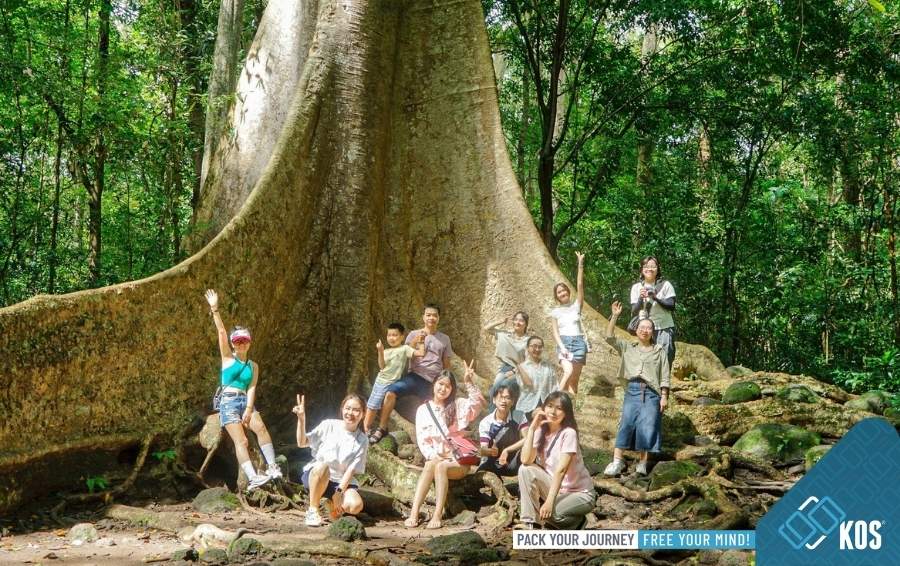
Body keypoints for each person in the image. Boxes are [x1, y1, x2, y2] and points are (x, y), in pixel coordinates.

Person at [204, 289, 281, 492]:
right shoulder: (228, 358)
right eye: (237, 341)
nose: (241, 344)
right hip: (228, 402)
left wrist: (248, 408)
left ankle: (273, 467)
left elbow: (252, 387)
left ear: (249, 342)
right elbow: (221, 332)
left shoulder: (253, 366)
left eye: (244, 340)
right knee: (242, 441)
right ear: (232, 343)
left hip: (244, 402)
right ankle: (253, 477)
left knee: (261, 428)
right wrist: (215, 309)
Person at [405, 361, 485, 529]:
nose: (443, 389)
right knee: (430, 464)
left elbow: (477, 404)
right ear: (434, 384)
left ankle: (437, 514)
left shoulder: (458, 405)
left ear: (452, 389)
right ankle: (414, 513)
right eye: (440, 384)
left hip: (458, 460)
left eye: (448, 386)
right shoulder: (423, 410)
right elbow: (422, 440)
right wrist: (435, 455)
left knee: (441, 467)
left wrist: (468, 382)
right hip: (437, 457)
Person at [603, 301, 670, 476]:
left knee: (647, 426)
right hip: (632, 390)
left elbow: (664, 375)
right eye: (642, 327)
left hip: (652, 393)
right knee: (626, 423)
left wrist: (664, 396)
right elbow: (609, 337)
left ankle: (642, 463)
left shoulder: (659, 351)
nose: (645, 330)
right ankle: (617, 462)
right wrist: (614, 316)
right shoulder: (627, 347)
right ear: (636, 329)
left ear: (652, 332)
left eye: (649, 328)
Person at [517, 391, 597, 529]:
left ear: (566, 413)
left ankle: (577, 523)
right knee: (525, 469)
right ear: (543, 408)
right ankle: (531, 523)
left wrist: (548, 502)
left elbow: (561, 470)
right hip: (558, 489)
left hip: (579, 493)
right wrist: (532, 429)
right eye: (550, 406)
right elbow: (525, 460)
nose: (553, 412)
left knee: (549, 514)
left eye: (559, 408)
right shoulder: (540, 430)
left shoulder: (569, 433)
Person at [293, 393, 368, 527]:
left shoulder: (362, 439)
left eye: (356, 410)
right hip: (318, 476)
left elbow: (351, 470)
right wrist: (301, 419)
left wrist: (338, 492)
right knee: (323, 466)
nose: (350, 413)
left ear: (363, 414)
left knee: (355, 505)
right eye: (347, 408)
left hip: (341, 482)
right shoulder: (329, 425)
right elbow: (302, 442)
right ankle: (313, 510)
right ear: (342, 409)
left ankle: (331, 511)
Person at [377, 304, 453, 434]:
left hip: (433, 380)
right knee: (390, 393)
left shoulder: (445, 339)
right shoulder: (413, 334)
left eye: (435, 315)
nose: (431, 318)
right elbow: (404, 353)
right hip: (414, 376)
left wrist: (447, 381)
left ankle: (434, 435)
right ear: (423, 317)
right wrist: (416, 340)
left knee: (433, 408)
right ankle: (382, 427)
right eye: (428, 315)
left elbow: (446, 363)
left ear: (439, 318)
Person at [365, 322, 425, 443]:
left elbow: (421, 353)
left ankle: (374, 429)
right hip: (381, 380)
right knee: (373, 405)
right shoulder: (387, 351)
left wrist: (421, 342)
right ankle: (365, 429)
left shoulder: (404, 349)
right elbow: (382, 366)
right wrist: (380, 351)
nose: (391, 338)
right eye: (389, 335)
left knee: (376, 405)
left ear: (402, 337)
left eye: (395, 335)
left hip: (392, 382)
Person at [551, 251, 588, 395]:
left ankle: (569, 406)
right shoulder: (555, 312)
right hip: (564, 343)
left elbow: (580, 284)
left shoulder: (577, 305)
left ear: (568, 291)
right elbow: (555, 332)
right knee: (568, 371)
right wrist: (562, 347)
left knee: (574, 382)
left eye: (564, 290)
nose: (562, 293)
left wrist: (580, 264)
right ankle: (554, 399)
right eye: (559, 292)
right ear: (557, 297)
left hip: (579, 344)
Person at [630, 256, 676, 370]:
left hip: (664, 328)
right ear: (642, 269)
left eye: (653, 266)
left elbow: (671, 306)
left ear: (658, 269)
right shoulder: (636, 287)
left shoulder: (666, 285)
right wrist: (640, 298)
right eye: (646, 266)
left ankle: (663, 382)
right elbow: (634, 311)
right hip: (644, 330)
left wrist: (655, 298)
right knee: (645, 362)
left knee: (664, 360)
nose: (649, 269)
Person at [477, 381, 528, 477]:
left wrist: (507, 450)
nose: (504, 401)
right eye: (500, 397)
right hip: (493, 463)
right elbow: (483, 449)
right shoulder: (486, 422)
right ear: (494, 400)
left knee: (528, 449)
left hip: (513, 462)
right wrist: (490, 451)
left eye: (507, 398)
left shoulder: (519, 416)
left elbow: (527, 438)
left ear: (513, 401)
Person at [482, 312, 530, 403]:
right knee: (497, 384)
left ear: (526, 324)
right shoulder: (506, 334)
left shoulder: (528, 340)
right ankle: (492, 409)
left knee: (505, 384)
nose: (517, 322)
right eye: (516, 320)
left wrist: (513, 371)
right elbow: (486, 329)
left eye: (521, 320)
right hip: (506, 367)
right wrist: (500, 321)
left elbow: (528, 361)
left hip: (521, 370)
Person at [514, 336, 559, 421]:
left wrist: (550, 405)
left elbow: (555, 387)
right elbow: (528, 384)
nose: (537, 349)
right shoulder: (522, 367)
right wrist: (519, 367)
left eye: (540, 347)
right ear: (527, 348)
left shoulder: (548, 366)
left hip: (546, 404)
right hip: (527, 405)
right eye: (534, 346)